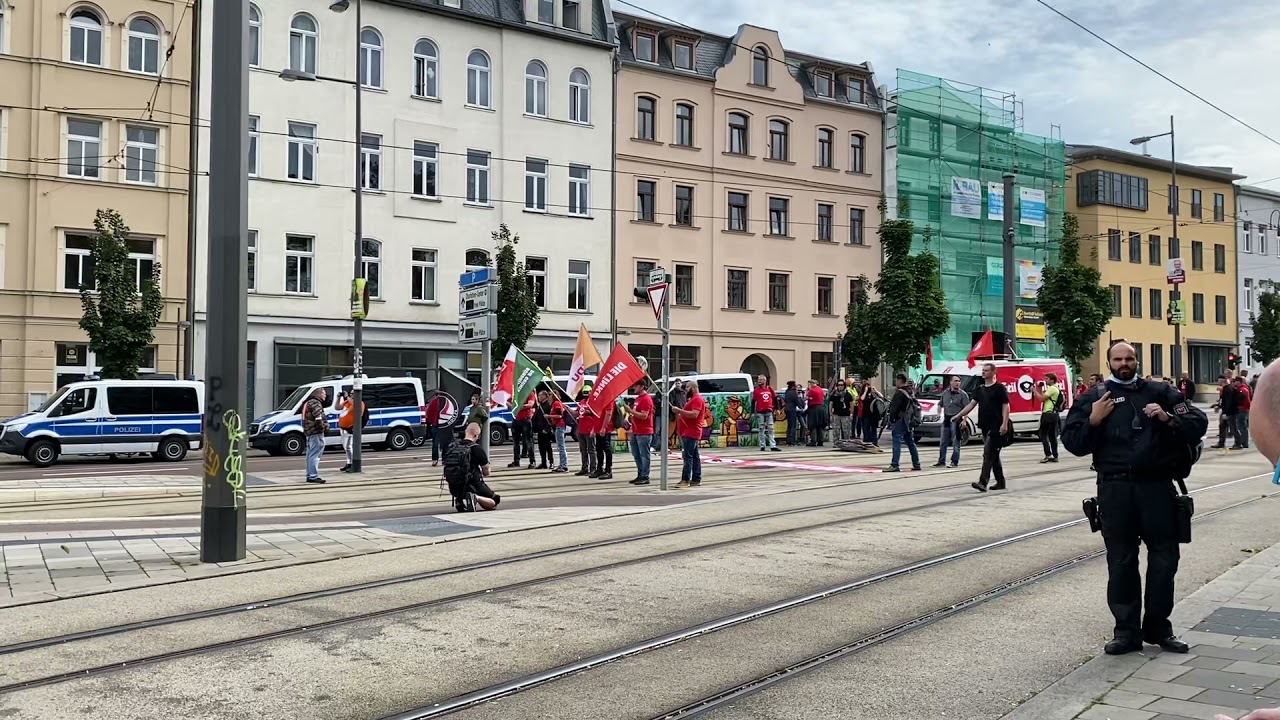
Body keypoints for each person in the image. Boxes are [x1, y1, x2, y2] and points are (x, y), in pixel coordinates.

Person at [1062, 341, 1207, 656]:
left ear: (1136, 360)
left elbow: (1197, 424)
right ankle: (1126, 632)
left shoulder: (1161, 392)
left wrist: (1168, 418)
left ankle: (1158, 627)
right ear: (1109, 362)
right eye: (1118, 359)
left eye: (1129, 358)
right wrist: (1093, 420)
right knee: (1122, 561)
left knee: (1165, 560)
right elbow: (1072, 442)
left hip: (1157, 487)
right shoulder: (1092, 398)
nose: (1124, 363)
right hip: (1115, 489)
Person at [954, 363, 1010, 492]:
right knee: (993, 455)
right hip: (985, 425)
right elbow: (971, 405)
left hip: (997, 426)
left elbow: (1005, 406)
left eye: (986, 370)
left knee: (988, 453)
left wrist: (1004, 423)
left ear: (993, 372)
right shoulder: (980, 389)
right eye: (983, 370)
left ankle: (983, 482)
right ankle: (1000, 482)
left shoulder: (999, 388)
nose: (983, 372)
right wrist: (959, 415)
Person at [443, 422, 500, 512]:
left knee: (470, 491)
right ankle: (475, 497)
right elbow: (486, 472)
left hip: (454, 488)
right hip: (473, 485)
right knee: (495, 500)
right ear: (476, 435)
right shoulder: (477, 449)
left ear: (466, 432)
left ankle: (460, 500)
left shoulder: (453, 447)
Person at [885, 373, 921, 472]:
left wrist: (892, 420)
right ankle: (916, 463)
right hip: (909, 421)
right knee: (910, 442)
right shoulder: (910, 391)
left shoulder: (899, 393)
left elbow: (894, 408)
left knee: (896, 441)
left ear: (899, 381)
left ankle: (894, 464)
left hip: (900, 420)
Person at [674, 380, 705, 488]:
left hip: (691, 432)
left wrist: (679, 411)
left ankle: (685, 480)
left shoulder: (697, 399)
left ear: (693, 387)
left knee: (688, 457)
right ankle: (696, 479)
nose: (686, 389)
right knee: (694, 456)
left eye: (687, 387)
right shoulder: (693, 399)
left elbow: (694, 414)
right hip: (689, 431)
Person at [936, 375, 969, 468]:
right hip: (946, 419)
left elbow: (967, 408)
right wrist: (938, 414)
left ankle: (954, 461)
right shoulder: (945, 393)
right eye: (955, 381)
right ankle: (941, 461)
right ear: (951, 382)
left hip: (956, 420)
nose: (957, 383)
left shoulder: (963, 394)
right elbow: (940, 404)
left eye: (959, 381)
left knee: (956, 442)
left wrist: (964, 420)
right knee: (943, 441)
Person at [627, 380, 655, 485]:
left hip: (644, 431)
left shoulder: (646, 399)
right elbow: (636, 415)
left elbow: (644, 416)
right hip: (635, 431)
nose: (634, 388)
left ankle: (645, 476)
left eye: (636, 386)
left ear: (642, 386)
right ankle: (640, 474)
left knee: (644, 455)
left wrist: (631, 411)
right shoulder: (638, 399)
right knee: (636, 454)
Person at [1032, 372, 1062, 463]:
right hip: (1054, 414)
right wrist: (1039, 389)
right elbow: (1043, 397)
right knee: (1052, 436)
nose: (1045, 380)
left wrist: (1034, 391)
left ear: (1052, 380)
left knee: (1043, 434)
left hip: (1048, 414)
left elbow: (1041, 399)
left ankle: (1048, 454)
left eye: (1047, 379)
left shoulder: (1052, 389)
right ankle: (1055, 455)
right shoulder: (1055, 388)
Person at [302, 387, 328, 484]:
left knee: (310, 454)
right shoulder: (315, 403)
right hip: (315, 431)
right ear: (319, 394)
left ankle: (310, 475)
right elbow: (318, 417)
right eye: (324, 393)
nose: (325, 395)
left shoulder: (308, 402)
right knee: (315, 454)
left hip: (309, 431)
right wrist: (322, 429)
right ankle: (313, 476)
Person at [336, 390, 366, 473]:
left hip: (350, 428)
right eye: (350, 393)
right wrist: (338, 398)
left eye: (352, 393)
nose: (351, 395)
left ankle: (353, 464)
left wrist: (346, 397)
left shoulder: (359, 403)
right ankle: (348, 463)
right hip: (343, 428)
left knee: (349, 447)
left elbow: (356, 406)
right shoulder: (347, 402)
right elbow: (337, 407)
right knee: (346, 447)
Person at [752, 375, 780, 452]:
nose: (759, 381)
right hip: (760, 411)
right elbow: (753, 401)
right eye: (758, 380)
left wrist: (777, 408)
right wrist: (752, 412)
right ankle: (762, 445)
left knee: (771, 428)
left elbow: (775, 399)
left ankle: (772, 445)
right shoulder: (756, 390)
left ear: (765, 381)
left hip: (769, 410)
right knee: (761, 429)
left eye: (761, 380)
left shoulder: (770, 389)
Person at [574, 389, 598, 477]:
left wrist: (593, 429)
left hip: (589, 429)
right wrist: (567, 409)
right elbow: (576, 413)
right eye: (585, 391)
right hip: (581, 429)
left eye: (588, 391)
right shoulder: (581, 402)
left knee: (591, 450)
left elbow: (595, 414)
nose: (586, 393)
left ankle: (593, 469)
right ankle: (584, 468)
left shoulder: (593, 402)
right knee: (583, 450)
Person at [594, 401, 619, 480]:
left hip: (606, 429)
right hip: (598, 428)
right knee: (599, 449)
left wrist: (604, 427)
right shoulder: (601, 400)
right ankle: (600, 468)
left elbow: (608, 413)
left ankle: (608, 470)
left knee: (606, 449)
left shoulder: (608, 400)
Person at [425, 392, 452, 468]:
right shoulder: (444, 401)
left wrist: (431, 422)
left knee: (437, 444)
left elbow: (429, 413)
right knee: (442, 444)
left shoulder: (434, 401)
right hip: (442, 425)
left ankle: (436, 459)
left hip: (438, 425)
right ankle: (443, 459)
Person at [509, 395, 535, 469]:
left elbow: (530, 404)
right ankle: (516, 460)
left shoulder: (529, 392)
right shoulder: (515, 393)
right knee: (515, 442)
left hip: (525, 420)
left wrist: (519, 406)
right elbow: (510, 404)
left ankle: (532, 461)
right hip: (516, 419)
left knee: (528, 441)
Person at [1213, 375, 1238, 449]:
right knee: (1222, 426)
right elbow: (1224, 401)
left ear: (1222, 380)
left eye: (1218, 380)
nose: (1218, 382)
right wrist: (1219, 406)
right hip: (1226, 411)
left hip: (1229, 412)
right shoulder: (1226, 389)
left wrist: (1225, 413)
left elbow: (1229, 402)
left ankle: (1238, 443)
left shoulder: (1228, 389)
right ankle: (1221, 442)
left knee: (1233, 428)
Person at [547, 390, 569, 473]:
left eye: (550, 394)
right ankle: (562, 464)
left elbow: (560, 415)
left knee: (561, 446)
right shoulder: (554, 404)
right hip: (557, 426)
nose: (548, 396)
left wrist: (549, 416)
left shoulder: (556, 403)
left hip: (560, 426)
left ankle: (564, 465)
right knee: (559, 447)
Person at [533, 389, 555, 469]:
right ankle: (543, 462)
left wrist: (547, 428)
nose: (538, 397)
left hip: (546, 430)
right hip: (539, 429)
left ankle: (551, 462)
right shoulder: (540, 406)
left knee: (547, 447)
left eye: (540, 395)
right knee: (541, 447)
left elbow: (550, 419)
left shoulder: (548, 405)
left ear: (544, 396)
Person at [829, 379, 854, 445]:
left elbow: (851, 404)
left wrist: (851, 414)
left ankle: (846, 443)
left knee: (846, 430)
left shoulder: (848, 394)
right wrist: (830, 414)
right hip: (836, 414)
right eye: (838, 385)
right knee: (836, 430)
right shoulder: (834, 394)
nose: (840, 386)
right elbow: (831, 404)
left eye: (841, 385)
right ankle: (836, 443)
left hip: (846, 415)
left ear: (844, 386)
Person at [1232, 374, 1252, 449]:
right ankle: (1244, 442)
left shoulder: (1242, 390)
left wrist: (1241, 406)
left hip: (1242, 409)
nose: (1234, 383)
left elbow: (1246, 401)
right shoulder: (1243, 389)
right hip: (1243, 409)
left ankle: (1244, 442)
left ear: (1239, 381)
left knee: (1242, 426)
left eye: (1235, 381)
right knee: (1242, 426)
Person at [805, 380, 827, 446]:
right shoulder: (820, 389)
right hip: (821, 408)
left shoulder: (812, 390)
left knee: (813, 425)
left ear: (811, 384)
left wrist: (808, 391)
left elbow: (805, 397)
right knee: (820, 425)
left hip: (813, 408)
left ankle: (813, 441)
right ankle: (820, 441)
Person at [783, 381, 803, 446]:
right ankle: (792, 441)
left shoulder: (787, 392)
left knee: (789, 425)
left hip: (786, 409)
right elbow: (797, 401)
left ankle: (788, 440)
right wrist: (801, 407)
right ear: (793, 386)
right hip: (792, 409)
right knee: (793, 425)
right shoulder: (794, 393)